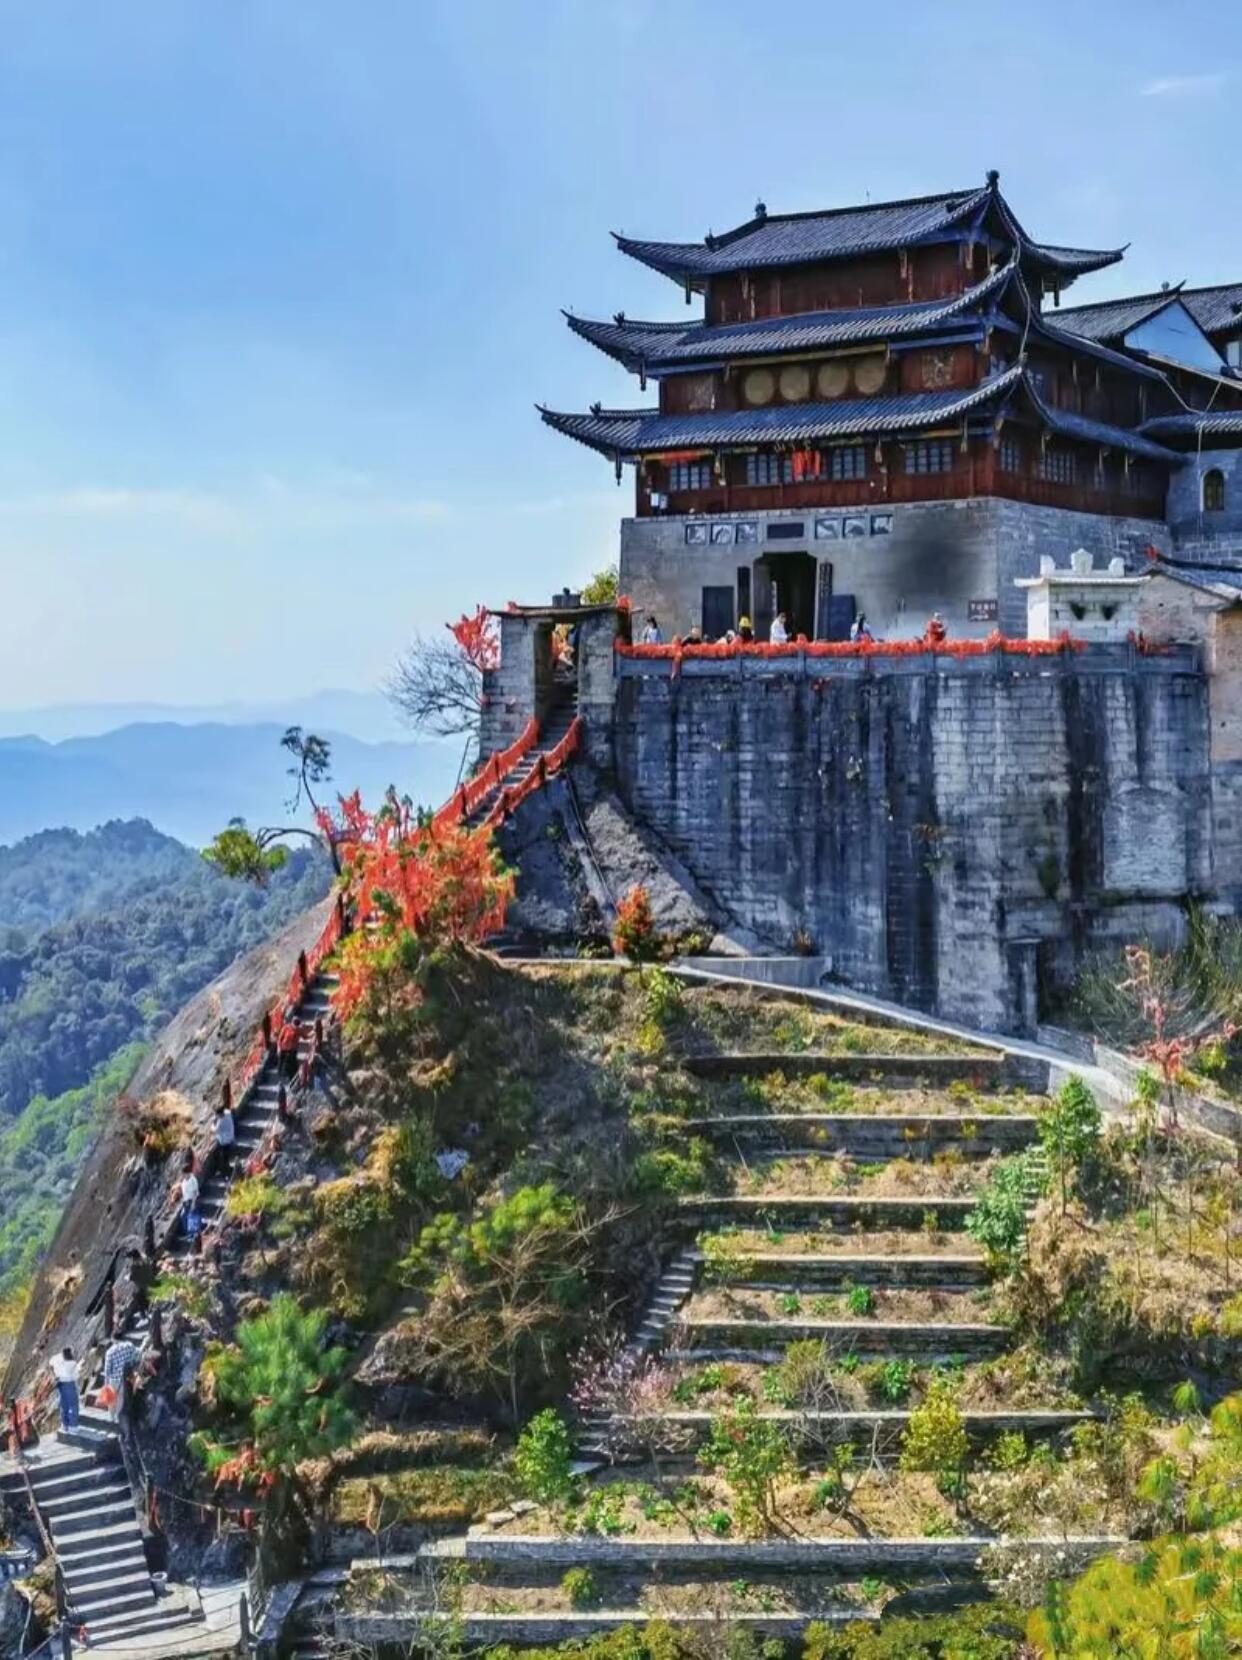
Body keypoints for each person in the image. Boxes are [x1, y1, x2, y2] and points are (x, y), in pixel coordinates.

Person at [102, 1338, 142, 1421]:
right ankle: (118, 1417)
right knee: (121, 1399)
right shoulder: (129, 1346)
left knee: (112, 1399)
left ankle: (112, 1417)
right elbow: (138, 1353)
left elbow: (107, 1370)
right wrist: (133, 1364)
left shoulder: (110, 1352)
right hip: (124, 1378)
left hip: (113, 1379)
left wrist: (106, 1384)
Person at [50, 1349, 80, 1430]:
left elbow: (52, 1366)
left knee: (64, 1406)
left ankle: (64, 1425)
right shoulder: (73, 1363)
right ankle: (73, 1426)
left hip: (61, 1385)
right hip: (70, 1384)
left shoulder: (60, 1364)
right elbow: (76, 1376)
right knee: (73, 1406)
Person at [179, 1154, 200, 1237]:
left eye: (183, 1174)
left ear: (187, 1173)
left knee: (192, 1218)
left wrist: (193, 1203)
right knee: (183, 1216)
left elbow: (195, 1192)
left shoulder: (193, 1180)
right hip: (186, 1201)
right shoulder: (184, 1181)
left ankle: (192, 1235)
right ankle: (187, 1232)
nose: (182, 1175)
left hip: (192, 1200)